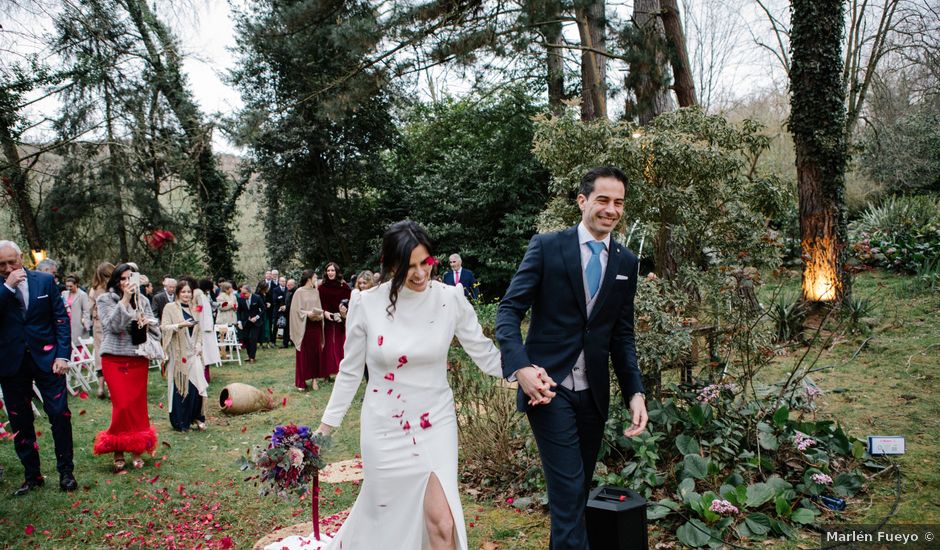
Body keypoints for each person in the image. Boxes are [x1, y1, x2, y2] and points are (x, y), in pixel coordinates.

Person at [311, 221, 502, 550]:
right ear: (390, 266)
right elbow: (350, 371)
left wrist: (527, 371)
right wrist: (324, 430)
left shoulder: (450, 298)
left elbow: (485, 354)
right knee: (385, 520)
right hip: (384, 427)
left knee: (443, 521)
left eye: (425, 263)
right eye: (408, 267)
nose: (419, 274)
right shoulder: (365, 303)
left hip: (435, 422)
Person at [495, 167, 648, 550]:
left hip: (593, 396)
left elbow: (621, 335)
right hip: (548, 389)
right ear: (582, 201)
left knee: (576, 491)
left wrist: (635, 393)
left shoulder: (626, 262)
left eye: (618, 203)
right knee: (566, 490)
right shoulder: (547, 247)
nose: (611, 209)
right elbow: (508, 311)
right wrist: (521, 368)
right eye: (603, 200)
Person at [0, 241, 77, 495]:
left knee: (59, 414)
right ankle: (32, 476)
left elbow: (60, 319)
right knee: (20, 421)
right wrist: (8, 287)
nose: (8, 267)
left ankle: (66, 472)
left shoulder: (44, 281)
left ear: (22, 257)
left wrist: (63, 356)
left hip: (48, 360)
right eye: (2, 264)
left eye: (13, 261)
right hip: (11, 365)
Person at [93, 262, 159, 472]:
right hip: (114, 358)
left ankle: (136, 449)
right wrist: (125, 300)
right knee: (121, 406)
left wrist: (146, 324)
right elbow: (112, 326)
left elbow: (155, 331)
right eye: (122, 278)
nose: (126, 282)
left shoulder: (144, 301)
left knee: (137, 405)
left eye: (130, 278)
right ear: (115, 281)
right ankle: (118, 449)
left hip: (138, 358)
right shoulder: (105, 299)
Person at [161, 280, 208, 431]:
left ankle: (197, 417)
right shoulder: (170, 308)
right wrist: (179, 325)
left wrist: (199, 345)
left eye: (189, 292)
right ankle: (181, 421)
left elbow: (199, 331)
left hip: (193, 353)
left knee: (197, 385)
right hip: (178, 353)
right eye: (183, 292)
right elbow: (164, 327)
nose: (186, 295)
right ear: (178, 293)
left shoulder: (195, 309)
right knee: (181, 386)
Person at [288, 270, 324, 391]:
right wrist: (308, 314)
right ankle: (301, 381)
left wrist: (319, 315)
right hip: (303, 328)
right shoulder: (299, 292)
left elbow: (319, 308)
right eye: (315, 277)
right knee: (303, 354)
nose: (316, 278)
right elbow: (295, 311)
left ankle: (314, 379)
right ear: (309, 278)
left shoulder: (316, 292)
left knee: (315, 353)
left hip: (315, 327)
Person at [317, 262, 351, 378]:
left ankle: (341, 370)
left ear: (336, 272)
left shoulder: (344, 286)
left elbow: (349, 301)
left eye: (332, 270)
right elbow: (319, 303)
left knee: (341, 344)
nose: (330, 273)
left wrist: (343, 312)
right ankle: (327, 372)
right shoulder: (321, 287)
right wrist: (324, 312)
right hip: (327, 319)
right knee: (328, 345)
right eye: (328, 270)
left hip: (341, 319)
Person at [89, 262, 115, 398]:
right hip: (110, 323)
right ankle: (111, 389)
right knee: (111, 353)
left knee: (100, 354)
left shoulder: (94, 289)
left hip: (98, 323)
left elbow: (90, 307)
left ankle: (100, 388)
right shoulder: (113, 289)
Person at [196, 279, 222, 379]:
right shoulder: (200, 297)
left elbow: (210, 305)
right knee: (204, 352)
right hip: (203, 327)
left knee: (207, 353)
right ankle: (204, 375)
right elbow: (198, 310)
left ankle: (206, 375)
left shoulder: (205, 296)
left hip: (207, 327)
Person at [61, 275, 92, 348]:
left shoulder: (82, 295)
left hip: (77, 321)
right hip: (66, 322)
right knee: (67, 343)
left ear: (76, 284)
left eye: (71, 286)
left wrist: (86, 324)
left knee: (78, 344)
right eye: (67, 286)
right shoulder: (64, 293)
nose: (69, 288)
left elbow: (86, 310)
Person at [237, 284, 264, 363]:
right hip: (246, 321)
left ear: (249, 292)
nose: (243, 295)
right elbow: (239, 311)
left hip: (256, 322)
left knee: (253, 339)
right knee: (245, 339)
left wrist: (256, 317)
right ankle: (249, 355)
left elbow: (263, 309)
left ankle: (252, 357)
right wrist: (239, 321)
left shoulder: (257, 298)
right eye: (242, 293)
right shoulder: (241, 299)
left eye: (244, 293)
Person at [256, 281, 273, 348]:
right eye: (267, 287)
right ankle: (260, 342)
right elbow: (259, 304)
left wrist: (269, 304)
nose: (268, 288)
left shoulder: (268, 294)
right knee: (261, 328)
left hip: (267, 313)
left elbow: (271, 301)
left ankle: (267, 341)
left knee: (267, 328)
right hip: (260, 314)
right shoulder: (258, 295)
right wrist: (266, 305)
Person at [271, 276, 287, 346]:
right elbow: (274, 299)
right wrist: (281, 299)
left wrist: (280, 297)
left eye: (284, 281)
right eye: (282, 281)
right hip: (277, 310)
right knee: (275, 326)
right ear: (279, 282)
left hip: (286, 309)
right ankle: (273, 341)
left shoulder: (287, 289)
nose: (283, 282)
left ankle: (285, 341)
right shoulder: (275, 289)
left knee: (286, 325)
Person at [282, 278, 296, 349]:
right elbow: (286, 301)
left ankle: (293, 342)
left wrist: (286, 307)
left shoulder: (296, 292)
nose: (287, 286)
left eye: (289, 285)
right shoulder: (287, 291)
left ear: (293, 285)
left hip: (293, 313)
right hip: (287, 313)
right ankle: (285, 343)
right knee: (286, 328)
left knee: (293, 329)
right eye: (287, 285)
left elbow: (294, 303)